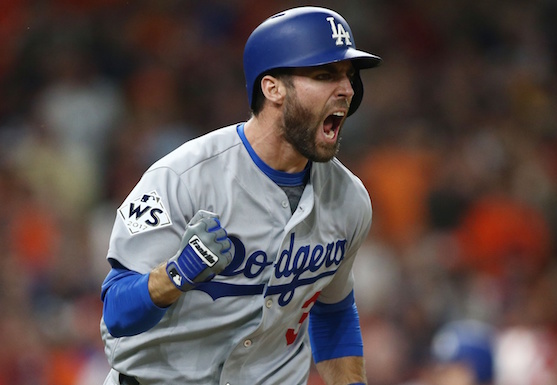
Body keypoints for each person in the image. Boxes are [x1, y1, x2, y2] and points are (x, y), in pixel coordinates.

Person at [99, 6, 381, 385]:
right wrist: (175, 274)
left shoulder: (349, 200)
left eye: (348, 77)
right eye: (325, 75)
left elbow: (333, 311)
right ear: (273, 87)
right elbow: (117, 313)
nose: (347, 89)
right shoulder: (182, 178)